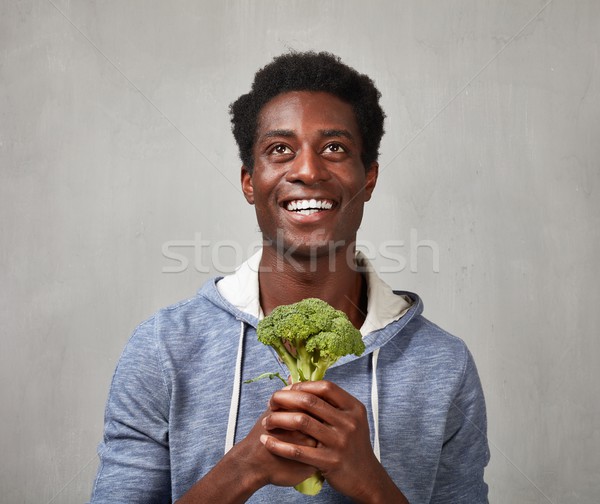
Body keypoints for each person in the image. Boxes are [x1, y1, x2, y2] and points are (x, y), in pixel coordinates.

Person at [90, 51, 489, 503]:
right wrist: (246, 467)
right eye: (280, 150)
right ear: (249, 181)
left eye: (334, 148)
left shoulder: (443, 362)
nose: (307, 170)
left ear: (369, 179)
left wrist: (372, 485)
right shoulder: (163, 348)